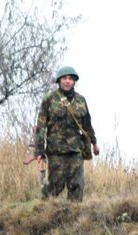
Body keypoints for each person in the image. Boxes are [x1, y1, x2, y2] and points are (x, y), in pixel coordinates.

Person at [33, 66, 99, 202]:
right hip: (56, 151)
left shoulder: (81, 100)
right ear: (59, 81)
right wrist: (39, 150)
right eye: (64, 78)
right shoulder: (50, 99)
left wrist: (94, 143)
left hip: (76, 150)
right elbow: (41, 126)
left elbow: (87, 125)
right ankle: (44, 213)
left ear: (74, 81)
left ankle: (73, 218)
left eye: (70, 79)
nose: (67, 81)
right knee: (55, 186)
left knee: (77, 186)